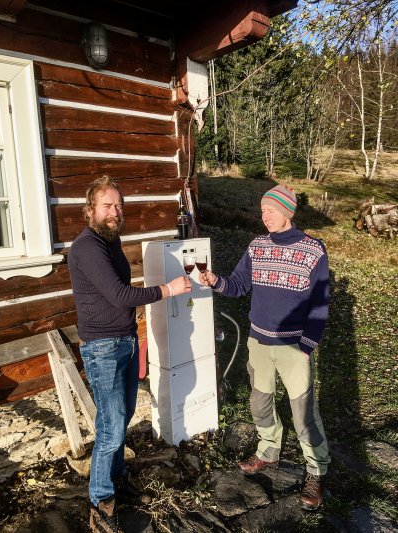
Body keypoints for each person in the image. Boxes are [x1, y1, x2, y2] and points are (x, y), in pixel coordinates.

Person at [68, 176, 191, 532]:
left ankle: (117, 479)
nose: (115, 211)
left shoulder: (110, 241)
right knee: (110, 426)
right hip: (103, 347)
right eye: (107, 205)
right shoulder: (87, 246)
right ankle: (101, 503)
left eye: (119, 205)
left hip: (124, 340)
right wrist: (168, 289)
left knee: (120, 418)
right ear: (90, 209)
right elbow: (120, 295)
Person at [199, 184, 330, 511]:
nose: (264, 216)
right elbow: (238, 285)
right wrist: (216, 282)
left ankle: (316, 470)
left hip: (293, 346)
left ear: (287, 212)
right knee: (259, 403)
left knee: (303, 413)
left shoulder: (313, 250)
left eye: (270, 210)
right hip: (258, 342)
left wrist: (307, 343)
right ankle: (269, 450)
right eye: (262, 211)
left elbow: (320, 302)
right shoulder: (257, 246)